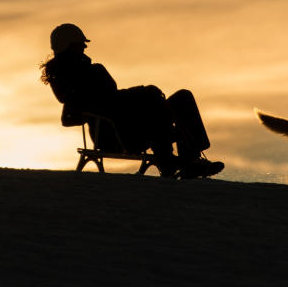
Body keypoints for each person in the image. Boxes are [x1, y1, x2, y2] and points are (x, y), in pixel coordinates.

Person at [40, 23, 224, 178]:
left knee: (182, 97)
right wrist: (144, 93)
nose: (85, 47)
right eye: (80, 44)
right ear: (68, 46)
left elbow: (113, 97)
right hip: (118, 135)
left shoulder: (88, 71)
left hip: (130, 125)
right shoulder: (76, 78)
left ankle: (189, 160)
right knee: (154, 102)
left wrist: (143, 93)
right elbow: (106, 101)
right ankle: (176, 161)